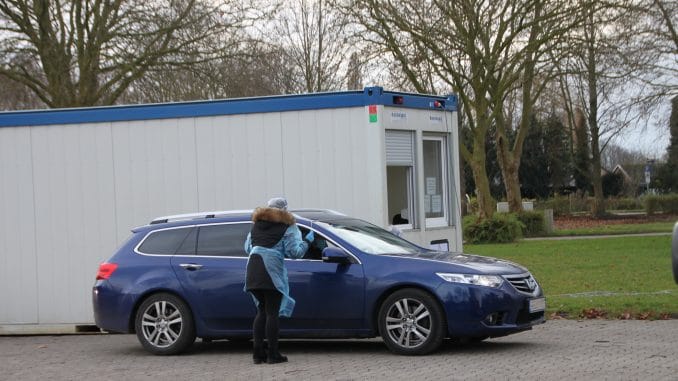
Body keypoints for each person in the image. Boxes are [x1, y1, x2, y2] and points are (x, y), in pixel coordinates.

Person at [243, 197, 313, 364]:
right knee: (272, 313)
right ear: (285, 210)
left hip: (253, 269)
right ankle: (273, 355)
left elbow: (247, 248)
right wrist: (307, 241)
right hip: (271, 270)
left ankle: (257, 354)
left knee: (261, 311)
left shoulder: (256, 225)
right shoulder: (289, 226)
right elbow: (295, 252)